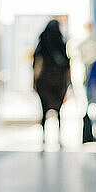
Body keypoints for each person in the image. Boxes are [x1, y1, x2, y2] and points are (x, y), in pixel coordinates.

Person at [33, 19, 71, 148]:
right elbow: (67, 64)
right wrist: (68, 83)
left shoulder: (42, 41)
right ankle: (59, 138)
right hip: (59, 81)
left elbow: (37, 61)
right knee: (59, 110)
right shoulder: (61, 42)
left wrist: (34, 80)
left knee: (44, 110)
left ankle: (44, 137)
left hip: (44, 81)